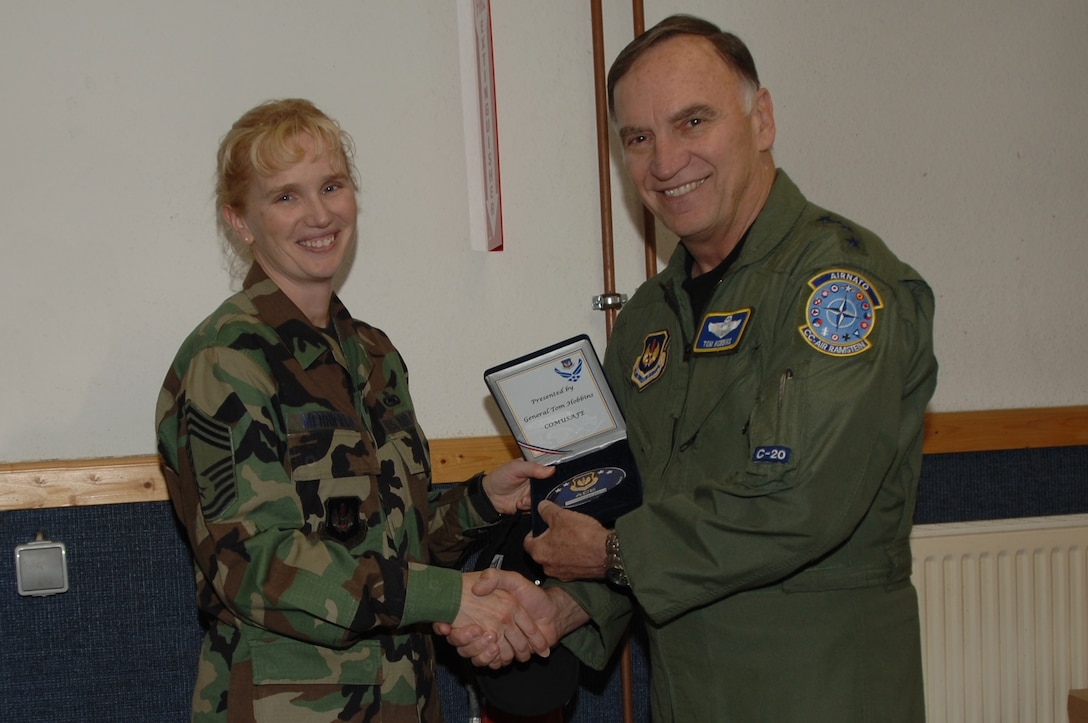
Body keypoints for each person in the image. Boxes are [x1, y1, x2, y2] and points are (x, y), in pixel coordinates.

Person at [445, 14, 938, 722]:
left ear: (761, 120)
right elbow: (633, 506)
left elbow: (798, 501)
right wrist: (559, 609)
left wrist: (612, 553)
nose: (666, 161)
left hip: (820, 690)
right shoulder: (649, 317)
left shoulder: (836, 286)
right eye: (638, 138)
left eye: (693, 122)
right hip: (688, 694)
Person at [156, 98, 558, 723]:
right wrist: (447, 597)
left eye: (331, 186)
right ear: (240, 221)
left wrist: (482, 501)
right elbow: (254, 565)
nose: (319, 214)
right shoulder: (226, 360)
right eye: (285, 196)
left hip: (406, 699)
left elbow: (395, 547)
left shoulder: (373, 355)